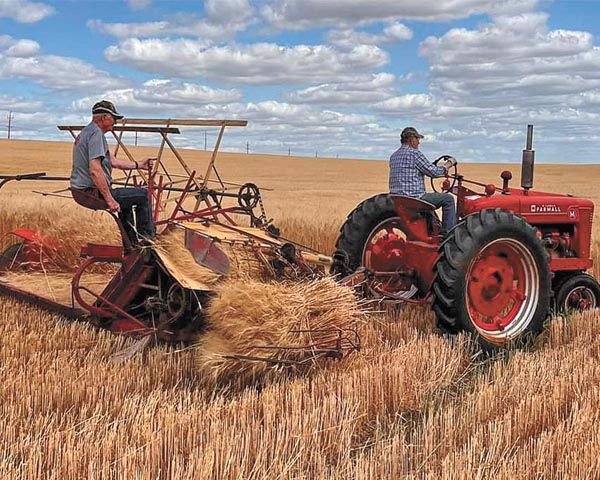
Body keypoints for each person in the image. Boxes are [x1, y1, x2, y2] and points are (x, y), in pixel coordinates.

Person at [70, 100, 156, 245]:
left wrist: (139, 165)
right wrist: (109, 199)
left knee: (126, 204)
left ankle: (132, 246)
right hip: (90, 192)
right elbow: (95, 170)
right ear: (103, 117)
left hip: (81, 191)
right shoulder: (96, 134)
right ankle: (147, 240)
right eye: (113, 118)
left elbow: (113, 161)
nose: (115, 122)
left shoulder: (87, 132)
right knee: (142, 195)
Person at [389, 126, 456, 235]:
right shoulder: (414, 154)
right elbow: (433, 172)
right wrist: (448, 165)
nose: (419, 143)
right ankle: (448, 234)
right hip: (414, 198)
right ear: (412, 140)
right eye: (418, 139)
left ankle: (432, 231)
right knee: (448, 199)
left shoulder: (394, 156)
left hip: (397, 199)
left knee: (431, 203)